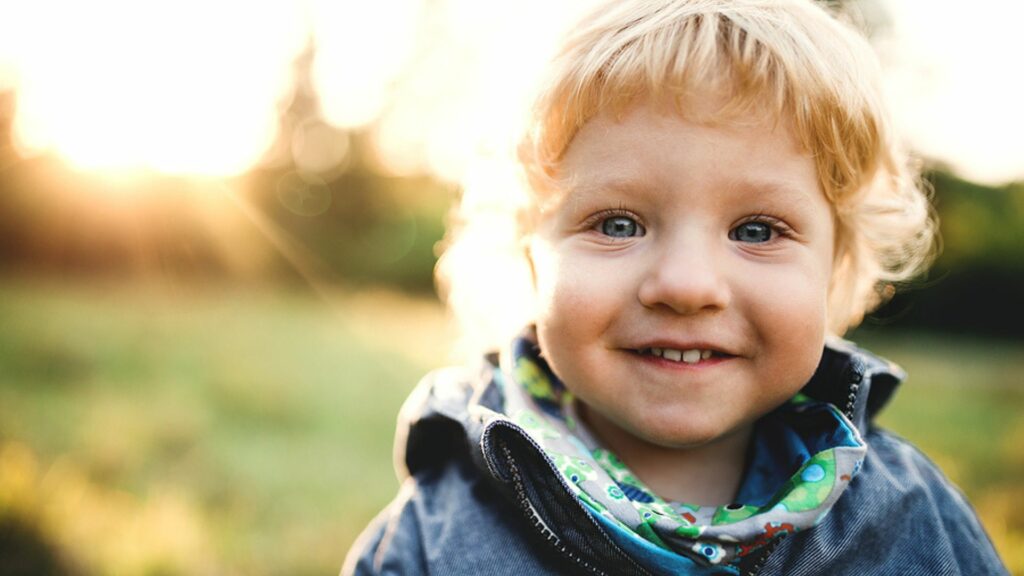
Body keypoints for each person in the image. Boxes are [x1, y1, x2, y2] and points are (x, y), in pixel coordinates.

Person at [343, 0, 1008, 574]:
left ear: (836, 267)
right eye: (619, 223)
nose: (686, 286)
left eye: (756, 230)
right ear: (530, 252)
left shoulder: (917, 522)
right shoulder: (434, 537)